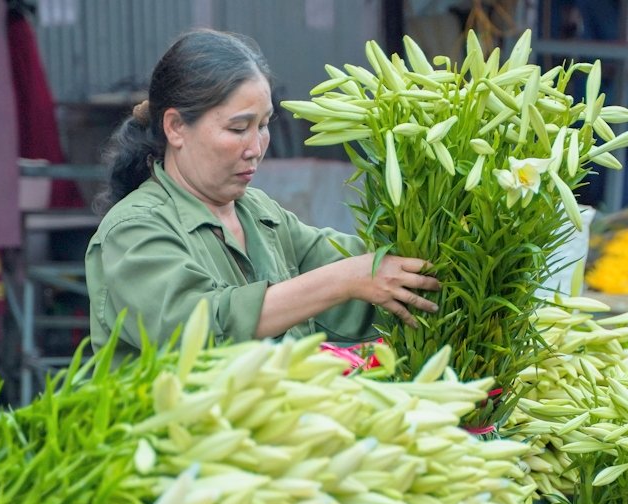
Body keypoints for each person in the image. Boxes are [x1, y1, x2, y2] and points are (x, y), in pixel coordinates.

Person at [86, 28, 440, 355]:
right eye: (239, 128)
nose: (256, 147)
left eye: (264, 125)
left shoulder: (259, 215)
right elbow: (199, 328)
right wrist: (346, 280)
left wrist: (441, 248)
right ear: (176, 127)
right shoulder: (132, 230)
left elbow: (359, 272)